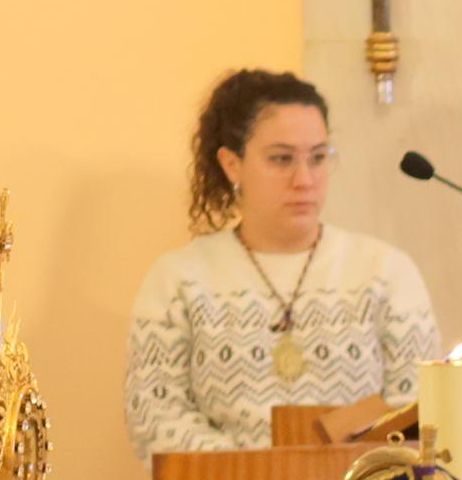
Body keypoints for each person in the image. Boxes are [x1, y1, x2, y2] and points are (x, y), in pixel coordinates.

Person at [121, 67, 443, 458]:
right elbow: (155, 418)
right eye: (281, 159)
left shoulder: (385, 272)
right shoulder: (179, 281)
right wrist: (262, 476)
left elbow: (417, 404)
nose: (304, 179)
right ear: (231, 164)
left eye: (318, 157)